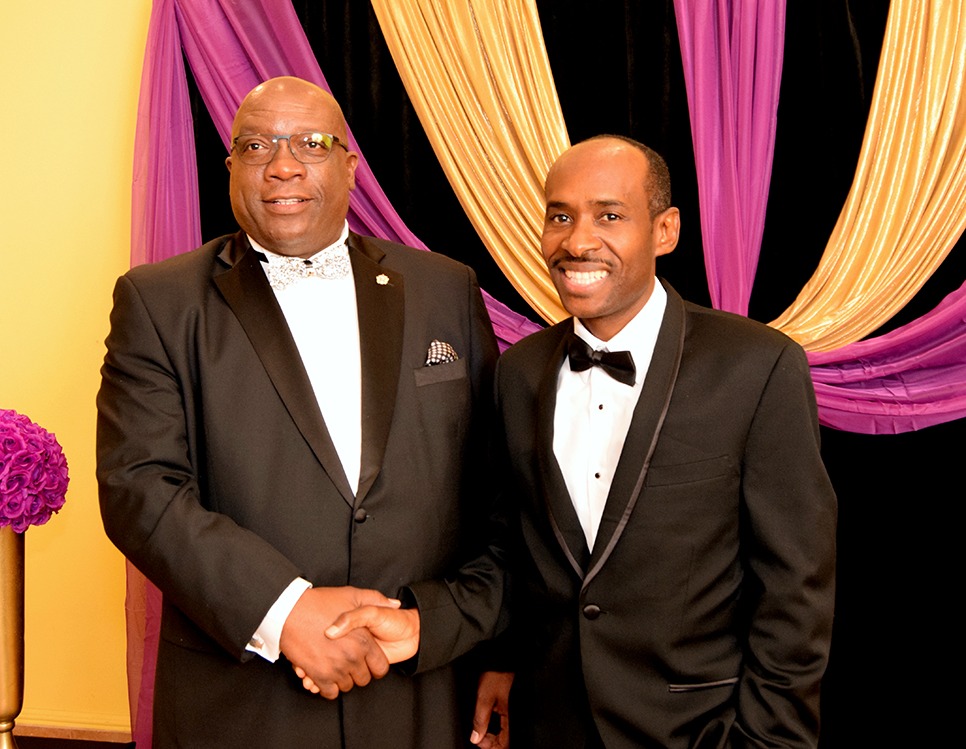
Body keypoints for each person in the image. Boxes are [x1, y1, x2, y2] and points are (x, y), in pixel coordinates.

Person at [96, 77, 504, 748]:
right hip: (240, 705)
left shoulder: (446, 287)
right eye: (256, 146)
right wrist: (284, 613)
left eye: (311, 144)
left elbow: (497, 491)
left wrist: (489, 642)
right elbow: (139, 489)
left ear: (349, 166)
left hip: (421, 692)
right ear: (231, 167)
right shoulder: (158, 302)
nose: (282, 165)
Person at [470, 136, 837, 748]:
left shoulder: (757, 366)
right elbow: (513, 546)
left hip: (698, 731)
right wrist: (502, 659)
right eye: (560, 216)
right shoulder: (518, 372)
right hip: (547, 725)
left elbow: (795, 586)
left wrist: (771, 741)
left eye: (609, 216)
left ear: (665, 231)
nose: (577, 241)